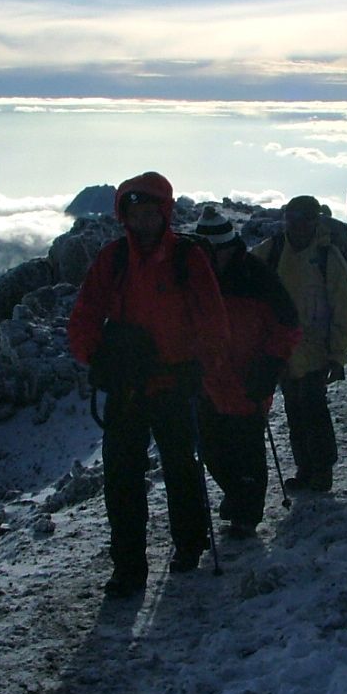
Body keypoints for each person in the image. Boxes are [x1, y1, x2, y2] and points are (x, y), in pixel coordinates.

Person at [68, 171, 237, 598]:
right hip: (128, 387)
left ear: (164, 213)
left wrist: (203, 365)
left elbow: (212, 318)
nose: (143, 222)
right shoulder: (113, 260)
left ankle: (190, 543)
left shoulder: (187, 258)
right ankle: (128, 567)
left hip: (173, 383)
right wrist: (95, 358)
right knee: (122, 479)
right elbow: (86, 313)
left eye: (150, 213)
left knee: (179, 467)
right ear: (124, 216)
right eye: (136, 214)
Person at [192, 207, 301, 538]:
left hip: (248, 380)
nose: (211, 259)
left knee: (247, 451)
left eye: (215, 251)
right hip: (208, 383)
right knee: (212, 450)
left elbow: (288, 326)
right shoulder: (192, 280)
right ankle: (237, 496)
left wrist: (268, 367)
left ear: (229, 246)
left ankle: (246, 514)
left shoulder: (257, 276)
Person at [251, 196, 347, 493]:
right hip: (282, 349)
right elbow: (245, 271)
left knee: (313, 410)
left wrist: (338, 355)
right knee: (295, 411)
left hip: (315, 351)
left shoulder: (327, 257)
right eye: (291, 218)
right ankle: (306, 468)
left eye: (303, 218)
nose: (296, 225)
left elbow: (343, 308)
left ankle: (320, 470)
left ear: (314, 221)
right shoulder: (273, 250)